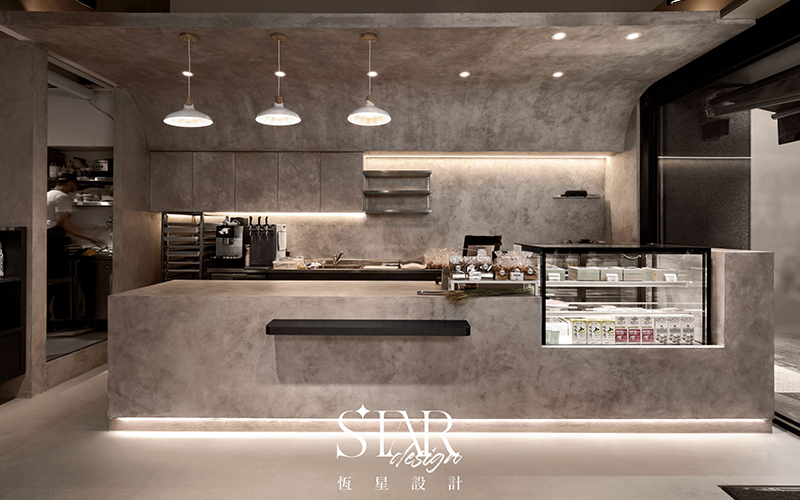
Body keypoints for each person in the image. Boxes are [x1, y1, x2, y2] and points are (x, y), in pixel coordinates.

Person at [46, 174, 103, 326]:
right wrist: (89, 237)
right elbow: (62, 224)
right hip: (53, 241)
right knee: (60, 281)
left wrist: (86, 230)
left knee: (49, 282)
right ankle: (60, 319)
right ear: (70, 183)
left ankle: (49, 320)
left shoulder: (48, 194)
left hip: (44, 241)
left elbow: (65, 222)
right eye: (76, 186)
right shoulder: (62, 197)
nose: (76, 189)